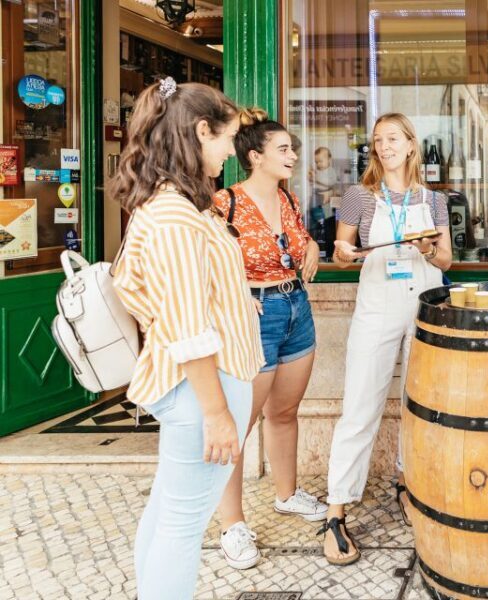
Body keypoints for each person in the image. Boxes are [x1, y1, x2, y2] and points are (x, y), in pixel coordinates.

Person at [110, 79, 264, 599]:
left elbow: (192, 297)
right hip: (204, 387)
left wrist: (238, 303)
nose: (230, 151)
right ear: (202, 131)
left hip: (203, 383)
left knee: (167, 513)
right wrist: (218, 413)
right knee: (182, 527)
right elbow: (187, 326)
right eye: (227, 139)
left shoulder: (173, 206)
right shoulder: (175, 216)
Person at [323, 113, 452, 565]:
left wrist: (427, 249)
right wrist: (343, 253)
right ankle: (336, 510)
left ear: (411, 145)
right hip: (376, 309)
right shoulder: (359, 196)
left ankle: (407, 484)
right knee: (359, 407)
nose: (384, 146)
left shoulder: (432, 200)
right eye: (378, 140)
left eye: (392, 138)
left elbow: (448, 259)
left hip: (423, 309)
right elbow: (341, 256)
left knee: (418, 406)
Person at [212, 109, 326, 570]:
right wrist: (236, 296)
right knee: (238, 424)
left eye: (292, 149)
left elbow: (300, 243)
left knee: (284, 411)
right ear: (254, 156)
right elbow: (206, 260)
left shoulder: (291, 201)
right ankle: (232, 524)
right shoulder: (225, 202)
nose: (292, 155)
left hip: (297, 307)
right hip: (254, 315)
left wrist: (314, 247)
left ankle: (287, 494)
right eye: (283, 149)